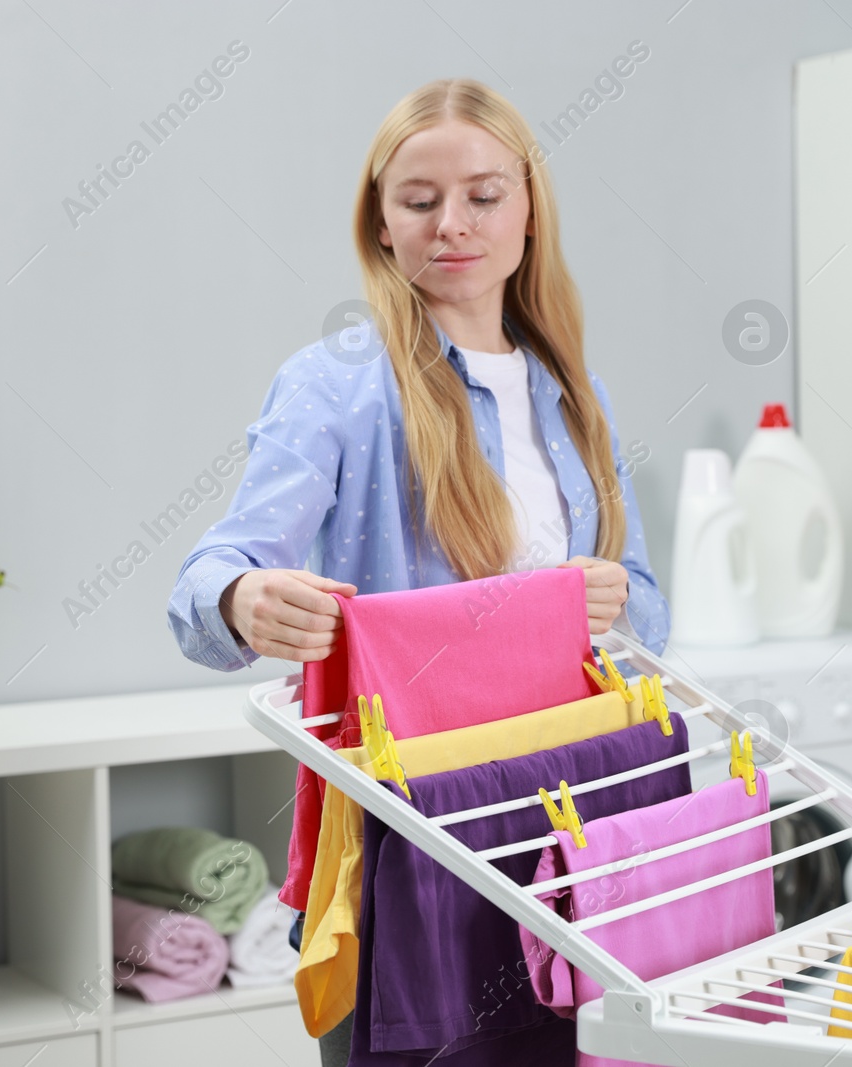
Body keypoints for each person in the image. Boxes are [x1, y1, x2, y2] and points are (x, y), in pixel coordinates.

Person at [165, 77, 670, 1063]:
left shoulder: (576, 393)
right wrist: (242, 597)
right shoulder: (338, 386)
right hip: (409, 841)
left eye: (483, 195)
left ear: (528, 210)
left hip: (563, 835)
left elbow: (645, 610)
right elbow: (208, 583)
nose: (453, 224)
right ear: (382, 224)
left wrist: (611, 603)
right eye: (418, 198)